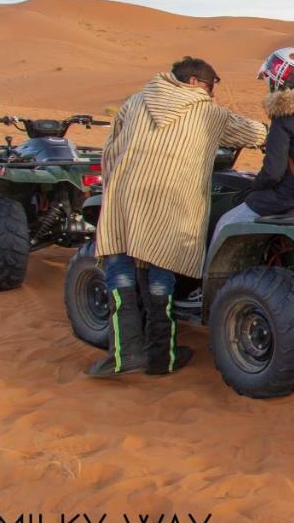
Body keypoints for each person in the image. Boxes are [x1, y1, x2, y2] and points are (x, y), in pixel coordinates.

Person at [89, 57, 267, 378]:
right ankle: (162, 358)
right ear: (195, 83)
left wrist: (120, 184)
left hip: (124, 196)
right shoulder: (209, 113)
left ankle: (123, 355)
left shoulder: (135, 101)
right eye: (211, 88)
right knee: (162, 272)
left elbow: (111, 149)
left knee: (121, 270)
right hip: (174, 200)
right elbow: (253, 132)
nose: (212, 95)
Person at [212, 47, 294, 239]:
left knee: (225, 223)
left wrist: (256, 185)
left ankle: (207, 271)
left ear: (280, 76)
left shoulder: (284, 116)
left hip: (288, 198)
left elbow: (273, 172)